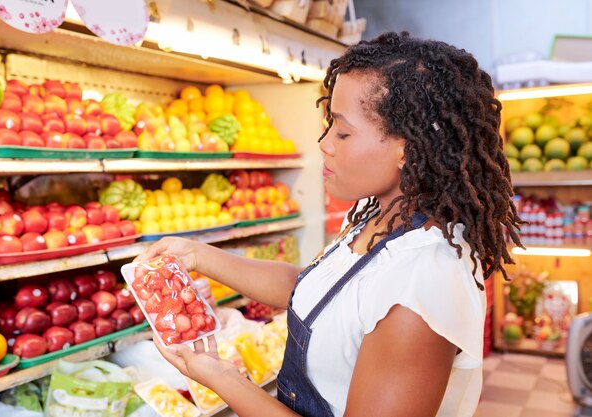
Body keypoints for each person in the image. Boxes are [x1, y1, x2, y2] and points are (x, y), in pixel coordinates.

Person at [135, 31, 523, 417]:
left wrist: (225, 380)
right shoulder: (384, 217)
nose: (324, 143)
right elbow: (315, 290)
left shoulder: (423, 286)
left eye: (342, 130)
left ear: (408, 149)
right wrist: (198, 254)